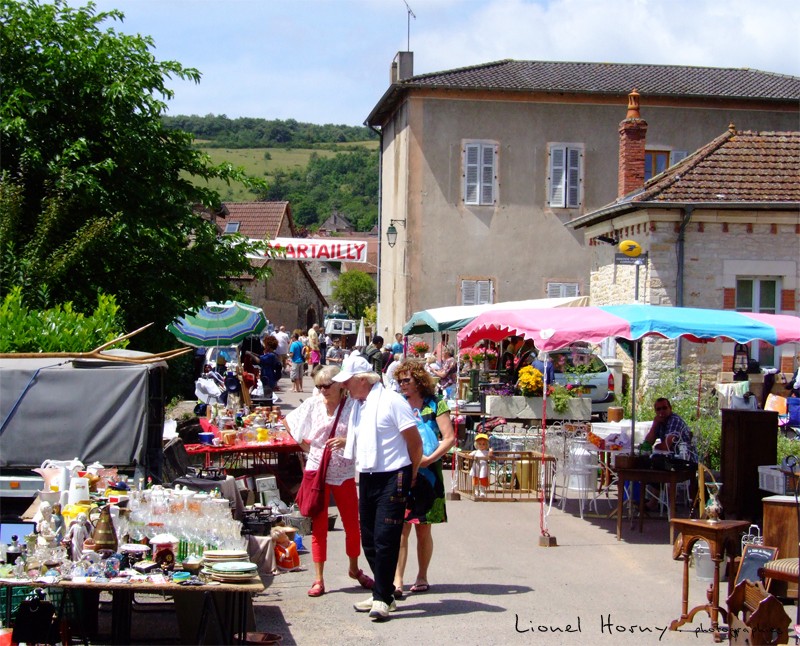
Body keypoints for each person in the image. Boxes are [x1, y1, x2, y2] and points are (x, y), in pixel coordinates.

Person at [333, 354, 422, 621]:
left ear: (362, 380)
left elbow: (414, 443)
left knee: (386, 538)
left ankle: (383, 597)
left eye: (347, 381)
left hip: (394, 475)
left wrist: (412, 474)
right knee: (369, 538)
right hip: (369, 474)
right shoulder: (359, 404)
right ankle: (383, 593)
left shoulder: (392, 401)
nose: (344, 386)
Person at [284, 365, 373, 596]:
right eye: (319, 386)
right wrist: (307, 447)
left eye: (327, 385)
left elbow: (367, 432)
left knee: (352, 524)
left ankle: (354, 568)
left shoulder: (353, 406)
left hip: (343, 472)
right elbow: (290, 422)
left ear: (340, 385)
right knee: (319, 526)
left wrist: (346, 441)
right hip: (317, 471)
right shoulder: (313, 404)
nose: (323, 390)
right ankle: (318, 578)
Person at [392, 359, 455, 598]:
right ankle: (397, 580)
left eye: (406, 380)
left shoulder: (435, 404)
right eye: (399, 381)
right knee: (400, 528)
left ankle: (422, 575)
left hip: (428, 472)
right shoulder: (399, 404)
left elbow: (449, 438)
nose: (402, 385)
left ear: (418, 380)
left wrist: (428, 460)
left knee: (423, 529)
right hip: (403, 469)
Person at [246, 335, 282, 400]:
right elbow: (260, 356)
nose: (264, 347)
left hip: (268, 377)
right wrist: (252, 353)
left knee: (267, 397)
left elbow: (259, 360)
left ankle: (269, 407)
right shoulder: (272, 354)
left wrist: (250, 354)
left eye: (265, 345)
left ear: (268, 346)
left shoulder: (271, 355)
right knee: (267, 395)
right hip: (269, 377)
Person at [470, 433, 493, 498]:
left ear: (486, 445)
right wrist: (469, 456)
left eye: (483, 444)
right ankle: (476, 491)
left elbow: (490, 456)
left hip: (483, 467)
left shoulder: (486, 452)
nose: (481, 445)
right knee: (476, 479)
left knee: (482, 478)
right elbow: (469, 455)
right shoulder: (475, 452)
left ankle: (482, 492)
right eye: (479, 444)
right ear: (476, 444)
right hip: (476, 466)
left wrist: (491, 452)